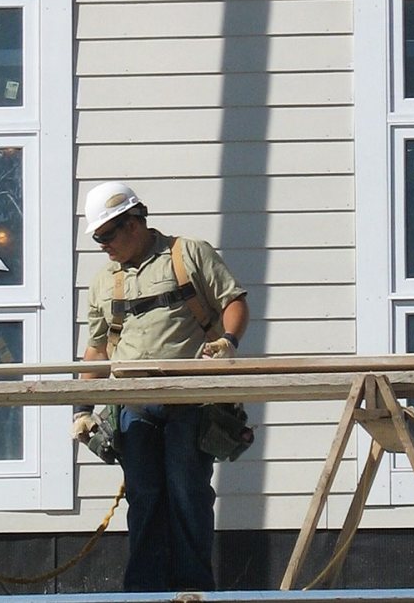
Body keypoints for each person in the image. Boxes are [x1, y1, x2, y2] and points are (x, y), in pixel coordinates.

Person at [71, 180, 249, 593]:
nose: (102, 245)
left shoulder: (187, 255)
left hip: (189, 400)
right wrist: (80, 410)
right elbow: (96, 351)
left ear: (134, 223)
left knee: (188, 496)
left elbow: (234, 302)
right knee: (145, 498)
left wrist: (228, 341)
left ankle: (193, 591)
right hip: (133, 404)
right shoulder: (105, 282)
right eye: (97, 238)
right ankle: (145, 593)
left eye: (106, 235)